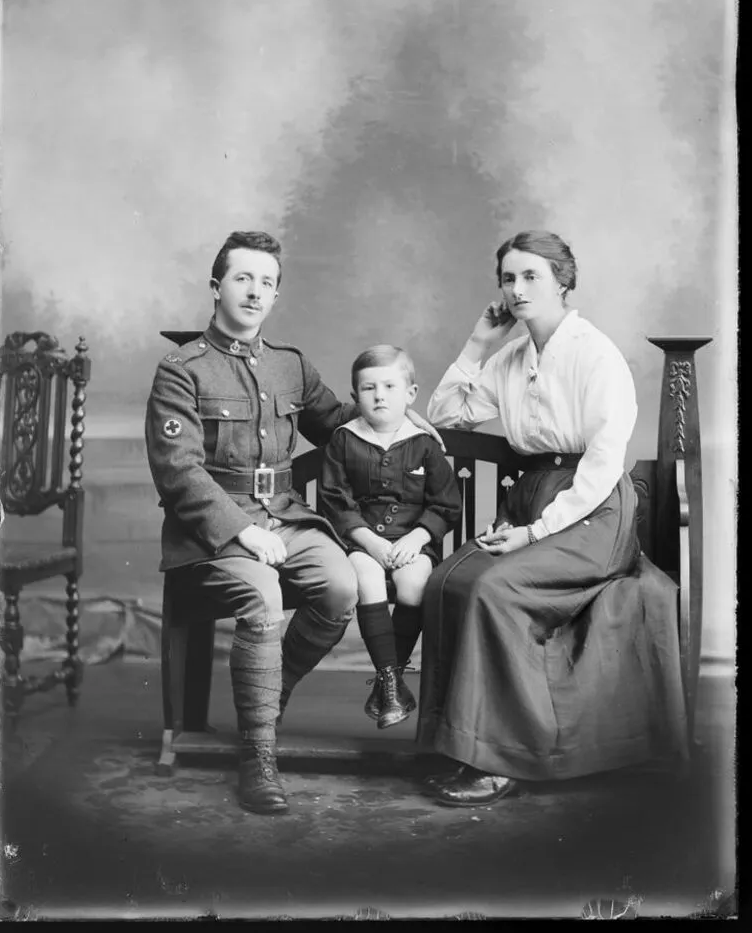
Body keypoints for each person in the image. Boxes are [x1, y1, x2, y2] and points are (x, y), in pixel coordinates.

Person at [145, 231, 442, 816]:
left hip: (286, 517)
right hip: (211, 534)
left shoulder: (289, 365)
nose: (256, 292)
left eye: (267, 283)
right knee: (260, 592)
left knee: (342, 585)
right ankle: (258, 755)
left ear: (276, 294)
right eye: (243, 279)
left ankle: (268, 696)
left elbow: (341, 425)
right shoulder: (182, 370)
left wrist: (406, 424)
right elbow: (177, 471)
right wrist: (241, 531)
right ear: (216, 287)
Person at [416, 230, 689, 807]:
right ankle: (455, 742)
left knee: (495, 588)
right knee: (448, 581)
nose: (517, 290)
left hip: (593, 512)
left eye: (531, 276)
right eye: (508, 278)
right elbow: (443, 414)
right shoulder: (512, 356)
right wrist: (475, 344)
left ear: (564, 281)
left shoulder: (595, 353)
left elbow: (602, 461)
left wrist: (537, 532)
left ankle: (498, 762)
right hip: (531, 497)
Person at [319, 345, 462, 729]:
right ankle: (390, 679)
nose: (379, 395)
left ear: (410, 395)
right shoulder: (344, 440)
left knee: (415, 583)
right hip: (362, 541)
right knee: (365, 576)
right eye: (368, 388)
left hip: (411, 541)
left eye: (389, 386)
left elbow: (446, 503)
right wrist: (371, 542)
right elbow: (335, 501)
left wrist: (417, 539)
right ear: (354, 396)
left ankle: (389, 680)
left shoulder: (424, 443)